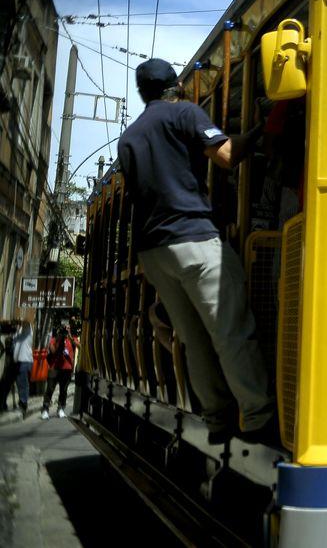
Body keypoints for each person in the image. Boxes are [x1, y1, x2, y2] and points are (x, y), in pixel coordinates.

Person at [117, 58, 276, 445]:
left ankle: (218, 420)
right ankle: (257, 416)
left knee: (193, 339)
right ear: (176, 87)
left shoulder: (129, 137)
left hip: (153, 252)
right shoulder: (184, 113)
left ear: (143, 92)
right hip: (194, 240)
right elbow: (226, 156)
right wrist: (260, 130)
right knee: (230, 331)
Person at [40, 325, 77, 419]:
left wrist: (69, 335)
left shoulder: (71, 339)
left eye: (68, 329)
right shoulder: (54, 340)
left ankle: (61, 409)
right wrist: (59, 339)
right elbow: (53, 351)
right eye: (64, 329)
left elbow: (79, 346)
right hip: (54, 368)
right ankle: (45, 409)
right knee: (50, 389)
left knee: (63, 391)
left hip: (67, 369)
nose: (65, 331)